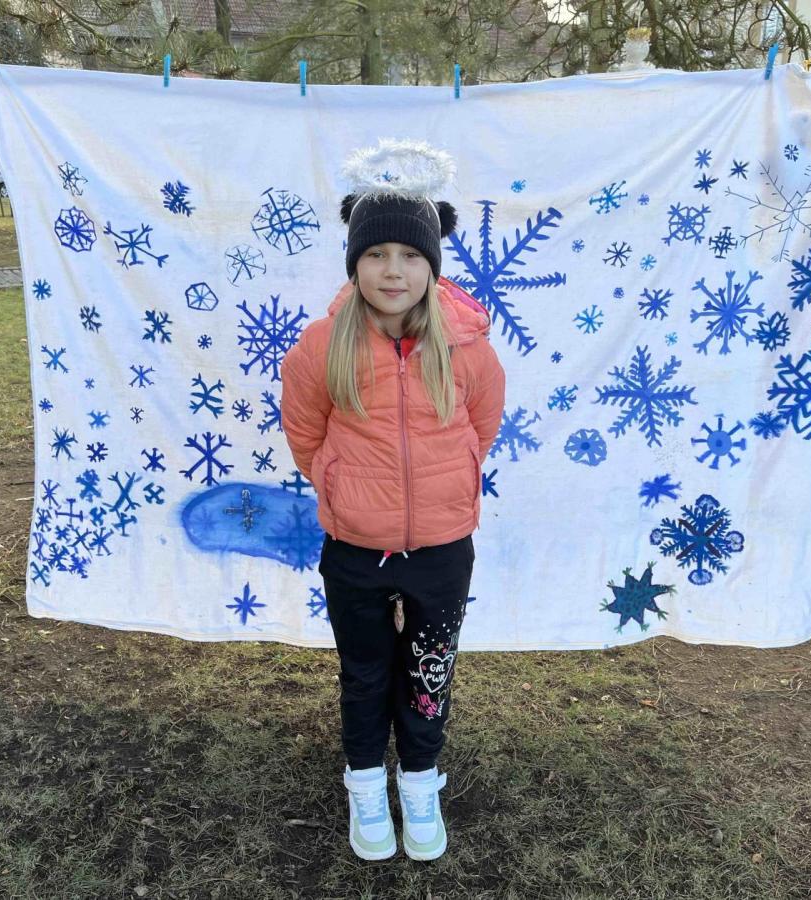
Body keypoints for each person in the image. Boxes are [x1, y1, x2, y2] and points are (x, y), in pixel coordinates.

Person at [281, 138, 506, 862]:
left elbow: (482, 428)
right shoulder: (322, 347)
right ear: (355, 262)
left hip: (442, 547)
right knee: (366, 671)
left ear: (432, 265)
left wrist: (448, 482)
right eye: (376, 254)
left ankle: (418, 780)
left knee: (428, 671)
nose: (393, 270)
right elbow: (306, 433)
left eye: (410, 255)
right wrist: (343, 484)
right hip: (355, 546)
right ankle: (365, 785)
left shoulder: (468, 349)